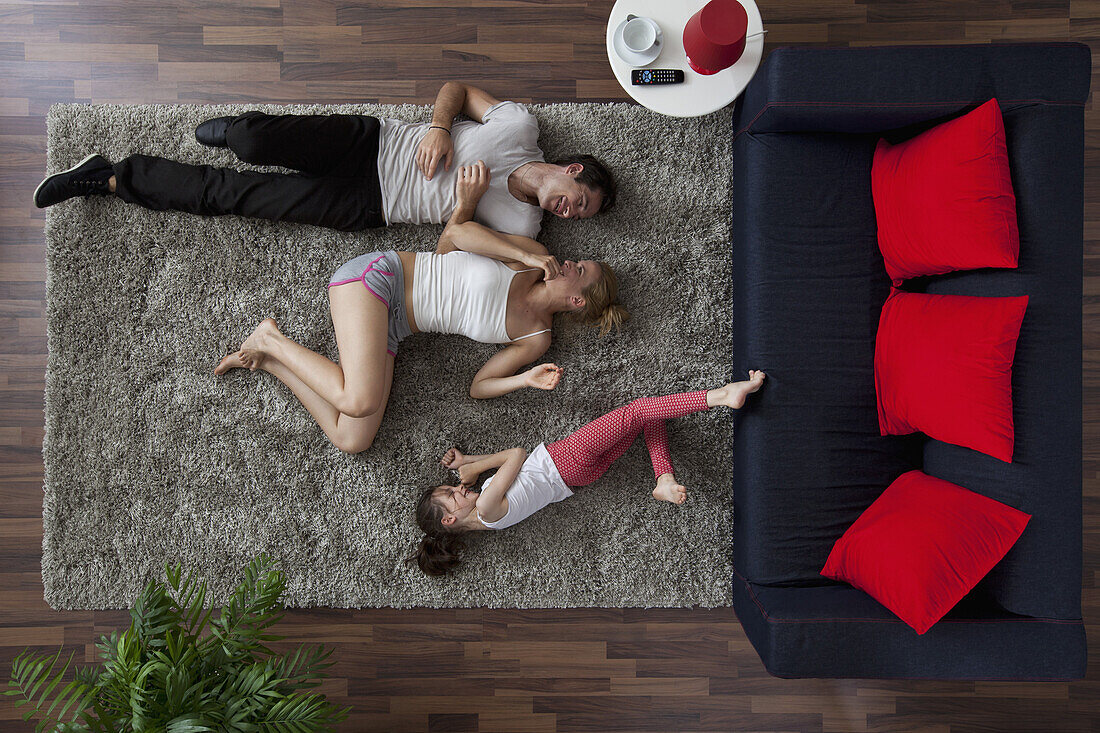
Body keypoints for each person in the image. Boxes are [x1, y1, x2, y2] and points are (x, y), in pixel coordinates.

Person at [213, 162, 628, 454]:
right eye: (579, 260)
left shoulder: (536, 338)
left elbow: (478, 387)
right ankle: (270, 337)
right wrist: (535, 260)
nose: (571, 261)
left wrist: (524, 380)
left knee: (352, 439)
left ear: (577, 300)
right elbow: (460, 235)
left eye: (581, 270)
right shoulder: (532, 255)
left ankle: (270, 360)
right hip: (379, 279)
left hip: (394, 327)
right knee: (358, 401)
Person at [32, 82, 616, 237]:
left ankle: (110, 176)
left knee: (234, 196)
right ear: (571, 170)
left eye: (578, 217)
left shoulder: (525, 227)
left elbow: (450, 251)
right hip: (374, 142)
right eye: (580, 200)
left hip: (368, 204)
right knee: (255, 143)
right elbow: (457, 89)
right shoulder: (520, 126)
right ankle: (239, 130)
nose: (569, 212)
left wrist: (463, 208)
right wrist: (440, 127)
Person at [411, 371, 767, 576]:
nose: (460, 488)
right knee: (640, 409)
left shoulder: (489, 519)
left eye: (452, 486)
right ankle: (721, 396)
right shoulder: (486, 507)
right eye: (453, 495)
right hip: (566, 459)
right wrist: (475, 463)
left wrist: (472, 469)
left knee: (649, 415)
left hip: (579, 477)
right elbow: (517, 454)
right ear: (451, 520)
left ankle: (663, 478)